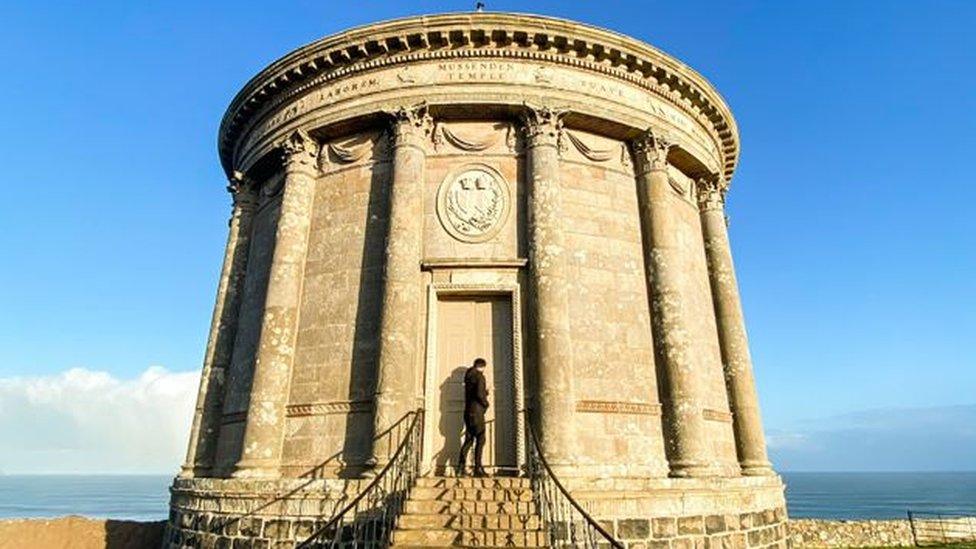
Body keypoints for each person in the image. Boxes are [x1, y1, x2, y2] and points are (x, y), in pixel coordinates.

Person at [458, 357, 489, 477]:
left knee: (469, 440)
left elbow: (473, 393)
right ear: (482, 367)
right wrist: (486, 402)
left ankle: (461, 467)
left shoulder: (468, 376)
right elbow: (479, 395)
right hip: (477, 413)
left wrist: (483, 394)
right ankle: (478, 468)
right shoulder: (479, 376)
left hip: (468, 411)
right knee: (481, 439)